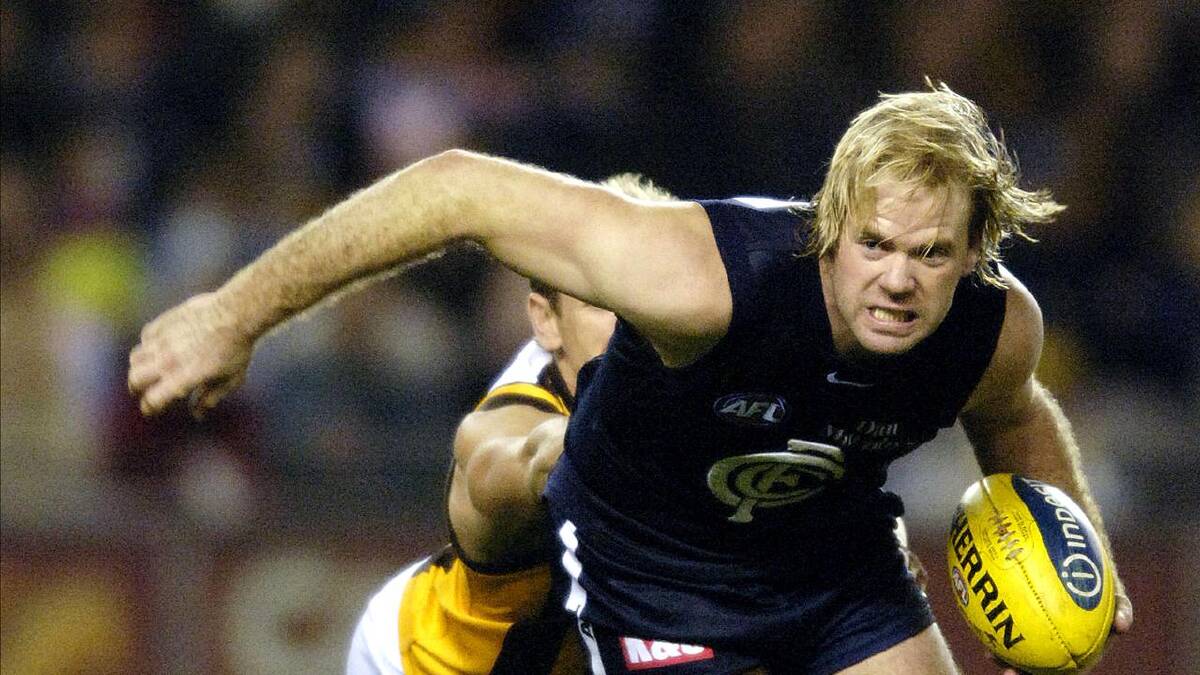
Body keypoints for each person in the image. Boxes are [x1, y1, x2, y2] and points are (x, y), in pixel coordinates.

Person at [129, 82, 1132, 673]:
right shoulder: (702, 279)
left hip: (831, 563)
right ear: (830, 226)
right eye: (874, 244)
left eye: (932, 254)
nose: (899, 279)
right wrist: (233, 313)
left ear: (976, 254)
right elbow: (458, 189)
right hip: (657, 575)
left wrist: (1079, 558)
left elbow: (1015, 416)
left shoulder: (996, 331)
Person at [346, 174, 670, 674]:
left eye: (650, 292)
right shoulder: (516, 414)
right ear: (546, 320)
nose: (633, 320)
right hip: (426, 660)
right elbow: (500, 462)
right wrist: (575, 451)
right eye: (602, 302)